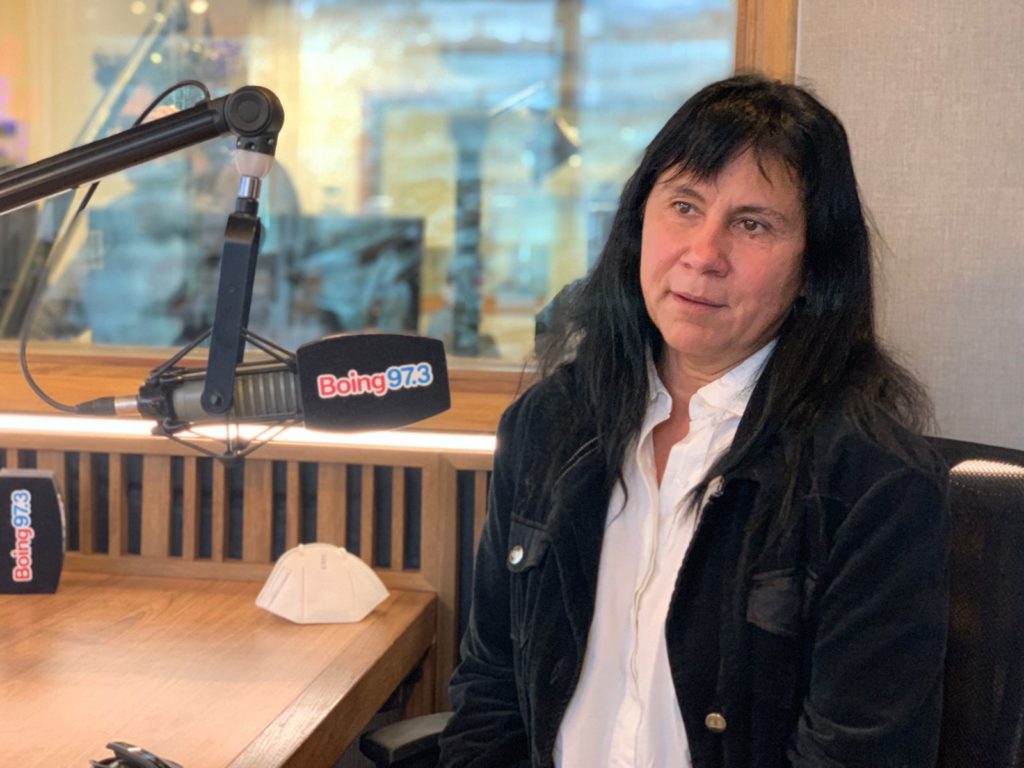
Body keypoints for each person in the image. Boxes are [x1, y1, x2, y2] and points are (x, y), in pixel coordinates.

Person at [437, 74, 950, 768]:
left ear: (814, 266)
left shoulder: (876, 485)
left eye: (752, 224)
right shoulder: (547, 425)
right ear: (638, 222)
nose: (704, 255)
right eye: (684, 206)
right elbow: (490, 693)